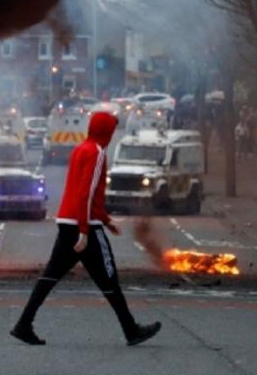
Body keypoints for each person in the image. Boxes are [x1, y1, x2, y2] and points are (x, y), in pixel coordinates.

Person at [10, 110, 161, 347]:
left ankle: (23, 324)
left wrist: (106, 221)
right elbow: (87, 193)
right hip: (85, 226)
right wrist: (84, 230)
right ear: (107, 132)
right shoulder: (98, 152)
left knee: (50, 276)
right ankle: (131, 330)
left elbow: (81, 192)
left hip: (68, 221)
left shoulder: (80, 149)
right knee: (109, 278)